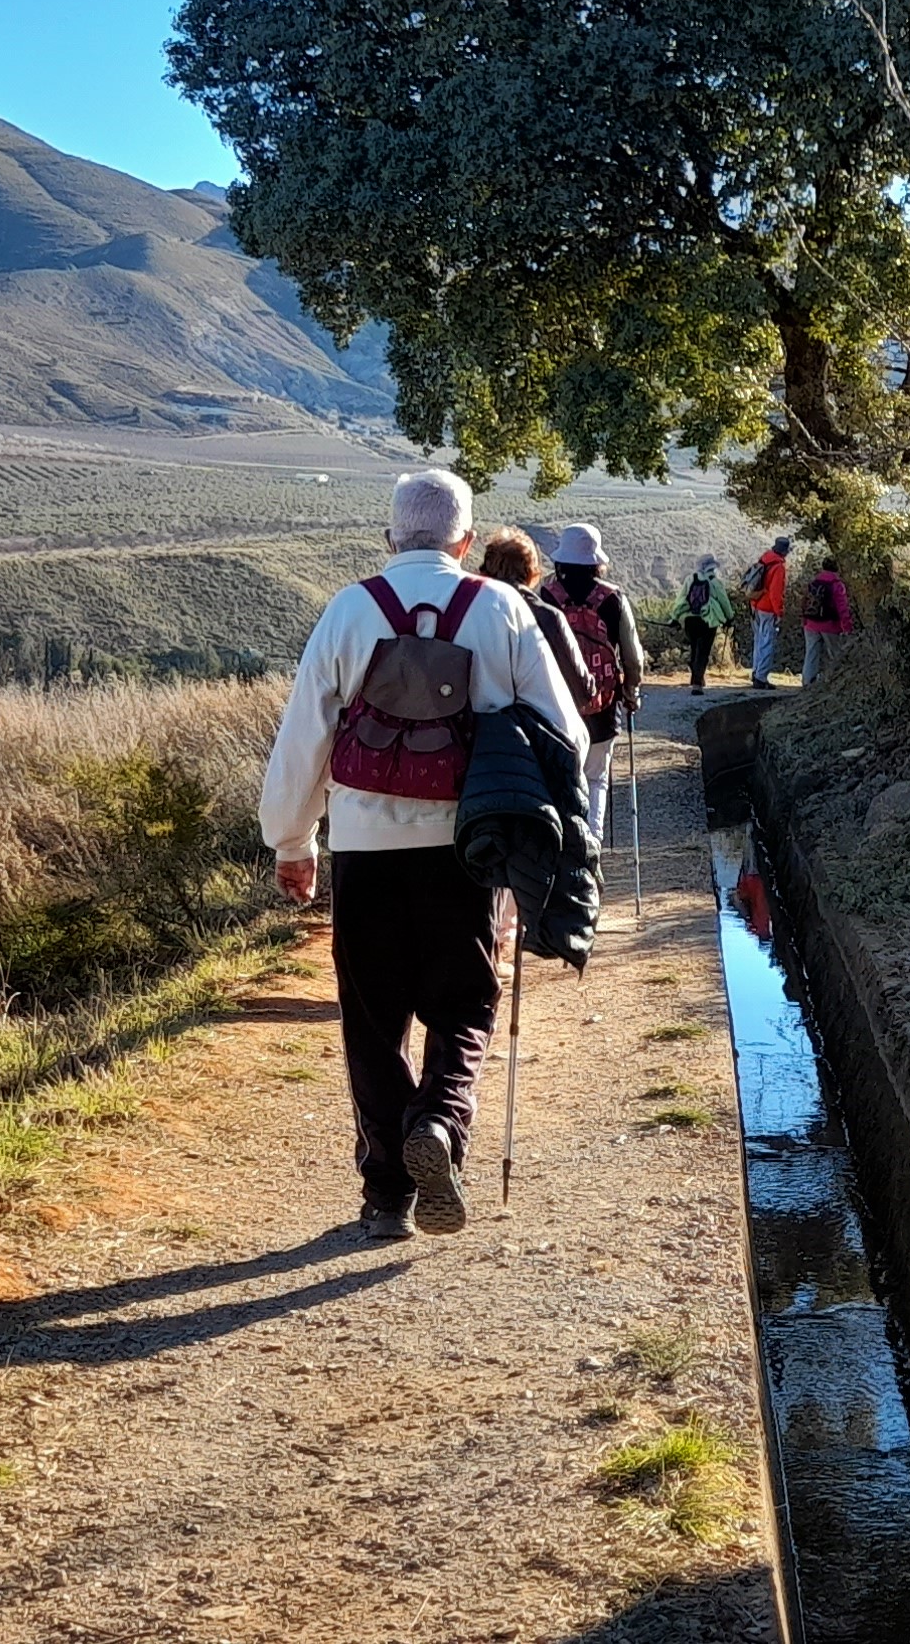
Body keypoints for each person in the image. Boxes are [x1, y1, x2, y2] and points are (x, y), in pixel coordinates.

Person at [258, 469, 586, 1244]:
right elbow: (566, 735)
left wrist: (292, 841)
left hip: (364, 848)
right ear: (464, 542)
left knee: (374, 1024)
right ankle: (438, 1119)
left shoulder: (349, 610)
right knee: (465, 1002)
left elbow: (304, 736)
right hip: (466, 848)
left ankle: (386, 1198)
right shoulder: (501, 608)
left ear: (390, 538)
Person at [538, 524, 641, 833]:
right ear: (596, 561)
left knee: (559, 776)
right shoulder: (613, 598)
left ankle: (565, 840)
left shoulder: (545, 596)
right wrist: (631, 692)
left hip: (555, 701)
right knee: (596, 778)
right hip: (602, 704)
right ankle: (593, 841)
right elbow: (632, 656)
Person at [740, 534, 793, 687]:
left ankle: (756, 672)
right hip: (768, 608)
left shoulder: (765, 559)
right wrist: (779, 612)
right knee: (767, 642)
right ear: (785, 552)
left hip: (755, 604)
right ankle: (761, 678)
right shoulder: (778, 567)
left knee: (758, 641)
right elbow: (775, 594)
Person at [798, 548, 856, 684]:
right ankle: (834, 682)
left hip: (811, 623)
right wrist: (847, 627)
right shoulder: (837, 585)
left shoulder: (814, 582)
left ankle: (807, 682)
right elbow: (842, 608)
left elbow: (805, 602)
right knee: (835, 654)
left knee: (811, 653)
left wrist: (804, 620)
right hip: (830, 625)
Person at [670, 553, 725, 692]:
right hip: (708, 620)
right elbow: (724, 601)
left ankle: (695, 677)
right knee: (703, 651)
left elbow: (681, 599)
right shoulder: (714, 582)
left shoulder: (690, 579)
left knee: (695, 649)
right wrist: (729, 618)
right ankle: (697, 683)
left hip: (690, 619)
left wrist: (675, 618)